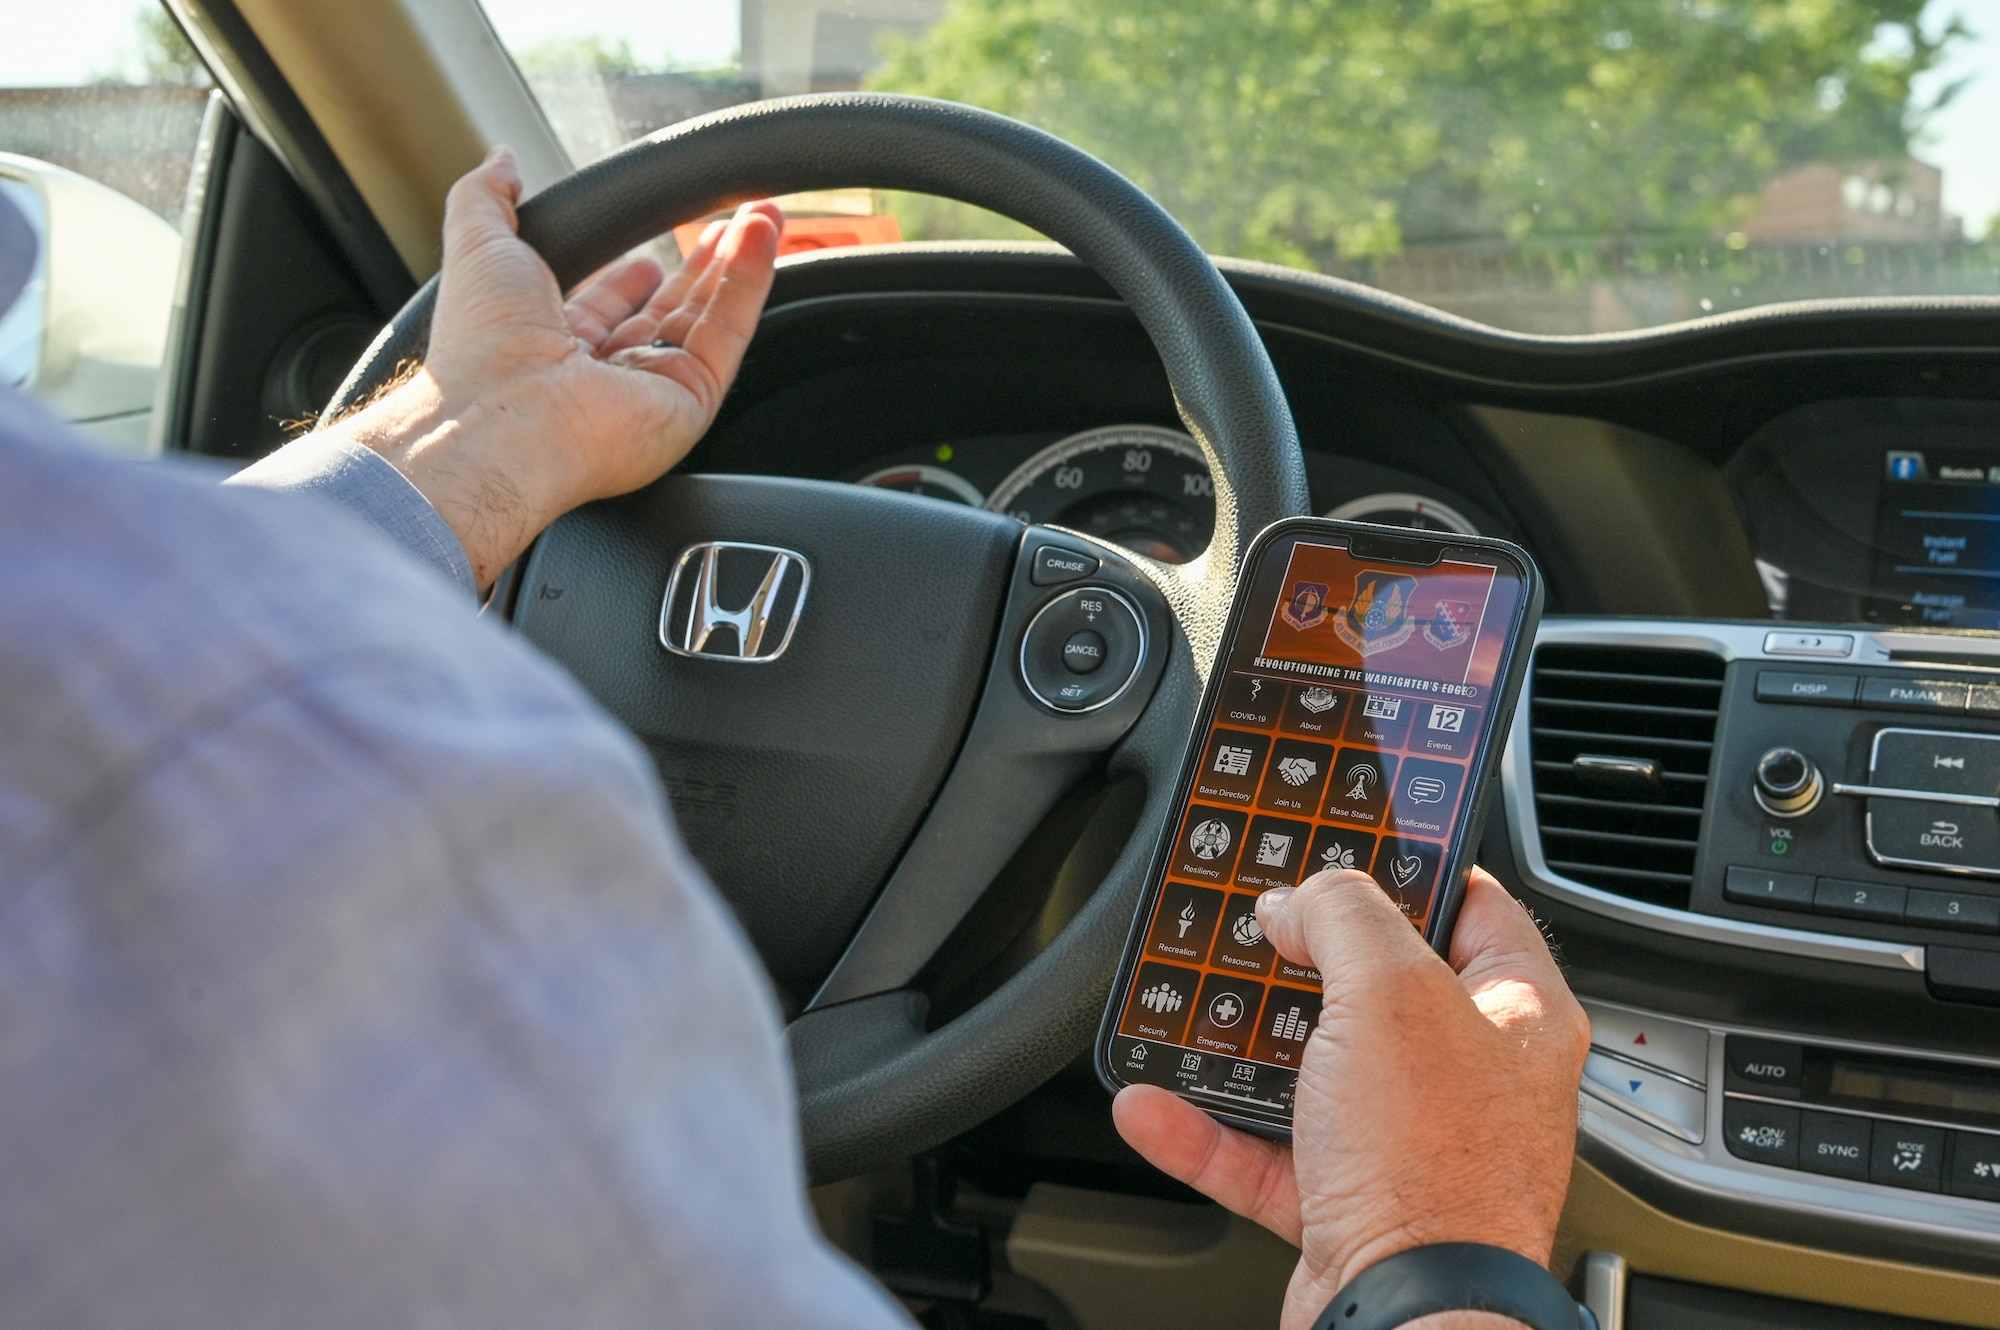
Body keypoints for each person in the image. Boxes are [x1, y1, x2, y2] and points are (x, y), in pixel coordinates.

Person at [0, 147, 1587, 1330]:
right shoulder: (275, 772)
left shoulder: (147, 713)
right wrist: (1443, 1252)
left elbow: (151, 637)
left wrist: (465, 451)